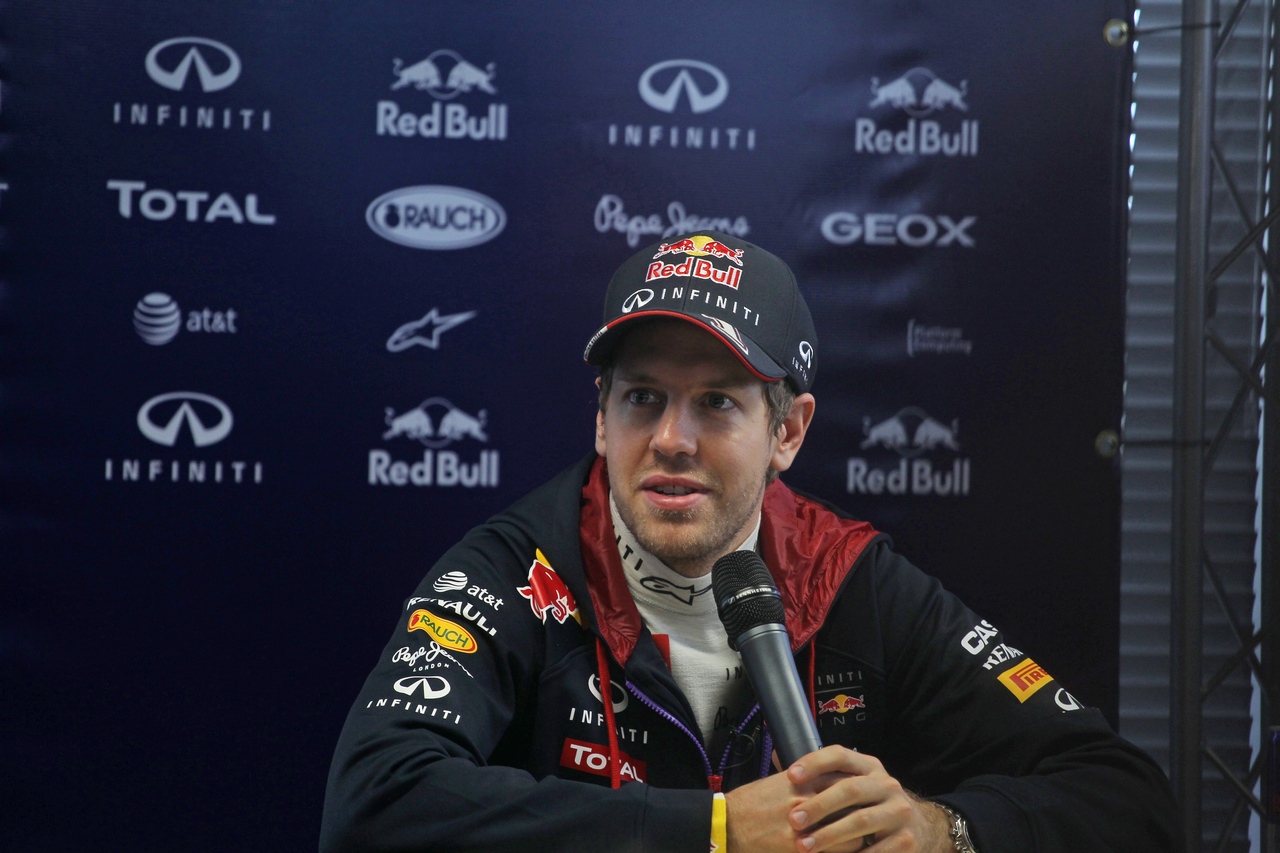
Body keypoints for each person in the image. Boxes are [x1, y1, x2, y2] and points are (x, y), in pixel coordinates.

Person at [321, 232, 1181, 853]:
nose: (671, 438)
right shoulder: (519, 571)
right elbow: (373, 802)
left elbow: (1125, 796)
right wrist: (721, 833)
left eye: (719, 402)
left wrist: (938, 828)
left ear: (789, 431)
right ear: (600, 416)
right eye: (643, 398)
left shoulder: (843, 576)